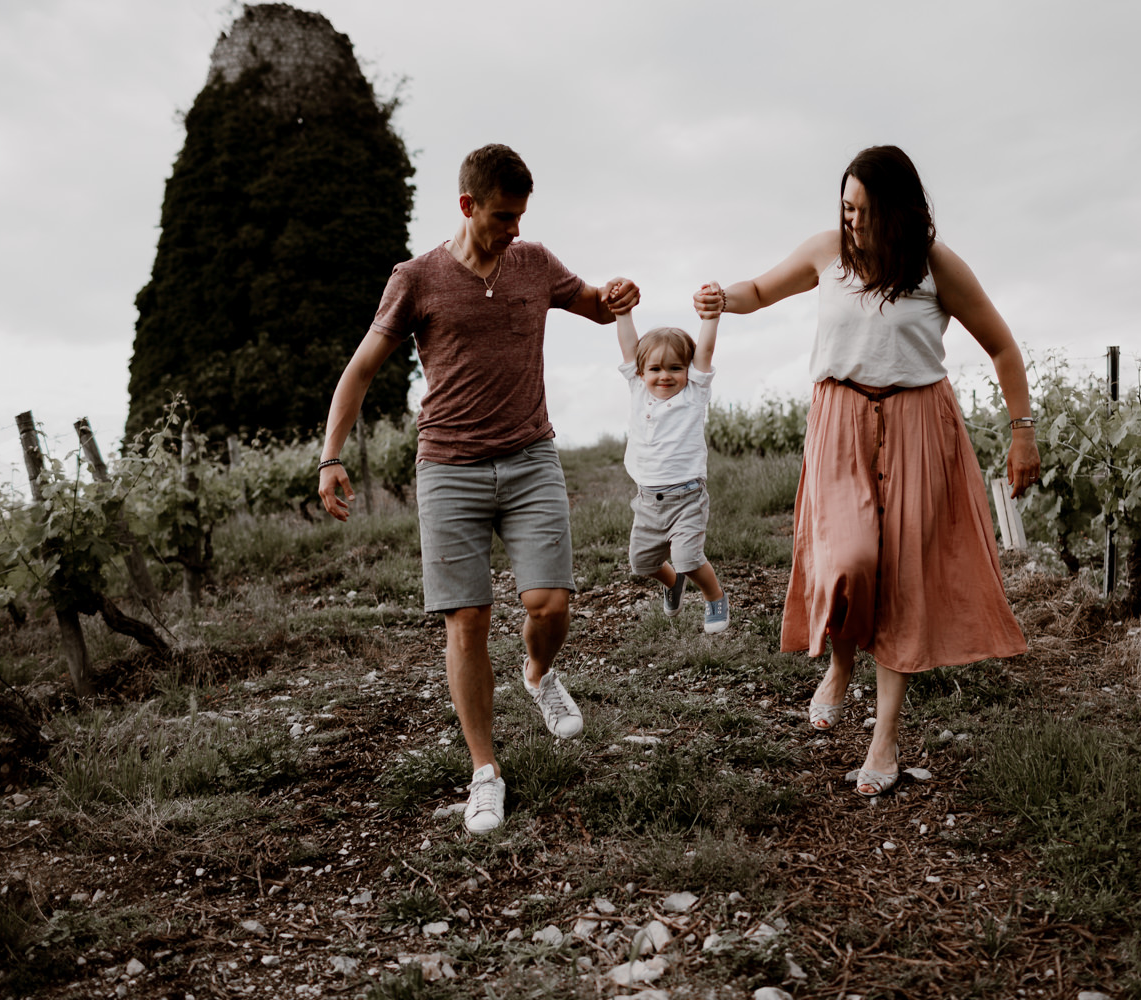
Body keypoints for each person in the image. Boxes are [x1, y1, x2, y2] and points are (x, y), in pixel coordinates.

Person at [694, 145, 1038, 797]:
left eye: (861, 211)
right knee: (848, 560)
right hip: (840, 420)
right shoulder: (828, 251)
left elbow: (1002, 347)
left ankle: (885, 737)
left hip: (918, 423)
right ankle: (841, 663)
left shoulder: (935, 265)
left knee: (904, 579)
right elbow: (760, 290)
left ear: (897, 212)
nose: (849, 220)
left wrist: (1023, 434)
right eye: (844, 207)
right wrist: (720, 298)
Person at [318, 144, 639, 835]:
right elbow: (362, 368)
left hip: (529, 459)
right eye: (502, 217)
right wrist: (331, 456)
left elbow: (593, 305)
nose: (514, 229)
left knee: (550, 604)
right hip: (449, 469)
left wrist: (617, 295)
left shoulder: (533, 262)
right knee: (467, 621)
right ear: (467, 206)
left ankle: (538, 674)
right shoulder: (416, 278)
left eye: (520, 216)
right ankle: (485, 772)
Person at [609, 293, 729, 633]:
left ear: (688, 371)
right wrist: (623, 313)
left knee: (688, 558)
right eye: (655, 369)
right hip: (648, 500)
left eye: (676, 368)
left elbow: (705, 352)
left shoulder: (693, 394)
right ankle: (673, 582)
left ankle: (715, 596)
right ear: (641, 372)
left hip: (687, 497)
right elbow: (629, 348)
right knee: (642, 562)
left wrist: (710, 318)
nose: (665, 376)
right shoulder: (638, 390)